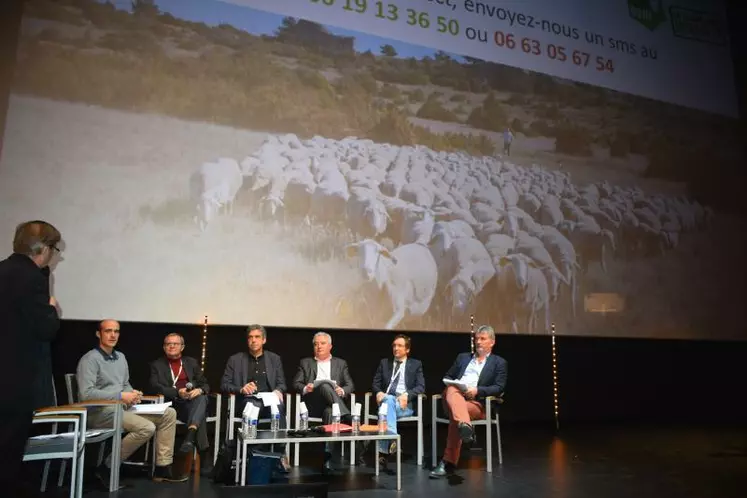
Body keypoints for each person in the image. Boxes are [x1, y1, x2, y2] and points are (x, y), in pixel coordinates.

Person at [77, 319, 187, 486]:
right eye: (108, 331)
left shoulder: (120, 357)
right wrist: (121, 395)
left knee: (169, 414)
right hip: (98, 412)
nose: (113, 335)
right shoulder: (90, 359)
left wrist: (132, 394)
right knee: (146, 427)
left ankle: (162, 468)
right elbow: (86, 394)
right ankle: (107, 467)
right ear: (99, 334)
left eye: (116, 331)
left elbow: (125, 384)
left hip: (122, 408)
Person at [0, 220, 62, 495]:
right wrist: (51, 308)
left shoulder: (3, 270)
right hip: (17, 380)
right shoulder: (32, 279)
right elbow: (44, 328)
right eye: (55, 248)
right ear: (44, 248)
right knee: (10, 448)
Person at [430, 325, 507, 479]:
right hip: (454, 397)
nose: (478, 342)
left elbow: (499, 387)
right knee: (452, 390)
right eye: (476, 339)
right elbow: (448, 376)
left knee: (456, 415)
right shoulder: (463, 358)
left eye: (482, 339)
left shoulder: (499, 363)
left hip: (477, 404)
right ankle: (465, 428)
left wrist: (477, 390)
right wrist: (458, 385)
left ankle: (448, 462)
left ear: (492, 342)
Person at [221, 324, 290, 471]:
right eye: (250, 337)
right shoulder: (235, 359)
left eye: (257, 337)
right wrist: (241, 389)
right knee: (254, 406)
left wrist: (278, 390)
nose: (253, 340)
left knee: (278, 406)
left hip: (269, 400)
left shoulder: (274, 359)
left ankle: (280, 453)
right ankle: (253, 454)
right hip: (247, 400)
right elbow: (224, 384)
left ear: (264, 340)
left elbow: (282, 383)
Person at [149, 332, 214, 476]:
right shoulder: (157, 365)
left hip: (191, 403)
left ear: (182, 347)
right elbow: (155, 387)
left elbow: (206, 384)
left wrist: (200, 390)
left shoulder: (191, 362)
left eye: (175, 344)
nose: (172, 346)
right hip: (172, 405)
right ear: (164, 347)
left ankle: (191, 434)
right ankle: (204, 454)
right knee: (200, 415)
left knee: (202, 398)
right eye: (168, 344)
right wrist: (178, 392)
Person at [292, 331, 355, 470]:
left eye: (322, 343)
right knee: (325, 385)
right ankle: (347, 416)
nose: (319, 346)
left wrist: (341, 390)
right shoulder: (305, 362)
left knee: (330, 412)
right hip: (314, 403)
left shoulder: (340, 363)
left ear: (330, 346)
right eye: (316, 344)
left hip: (331, 405)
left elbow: (350, 385)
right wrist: (306, 388)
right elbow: (296, 383)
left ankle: (328, 457)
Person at [370, 334, 425, 467]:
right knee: (388, 400)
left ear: (407, 349)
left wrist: (407, 394)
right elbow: (375, 384)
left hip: (404, 405)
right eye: (394, 345)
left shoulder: (416, 364)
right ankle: (393, 439)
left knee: (386, 409)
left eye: (400, 346)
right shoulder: (384, 363)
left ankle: (383, 451)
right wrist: (378, 392)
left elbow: (421, 387)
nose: (396, 348)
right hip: (387, 401)